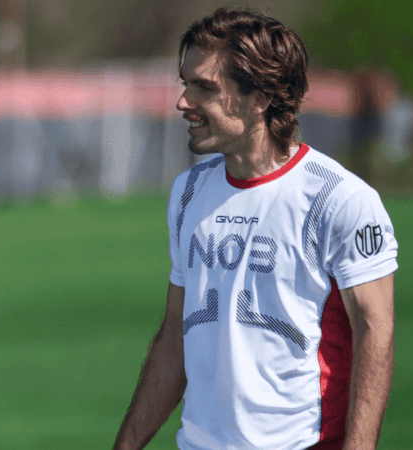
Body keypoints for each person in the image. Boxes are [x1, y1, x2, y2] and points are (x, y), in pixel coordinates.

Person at [114, 8, 397, 450]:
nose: (182, 102)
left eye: (204, 87)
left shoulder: (340, 200)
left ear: (259, 97)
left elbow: (375, 334)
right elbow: (174, 335)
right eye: (185, 83)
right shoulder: (187, 193)